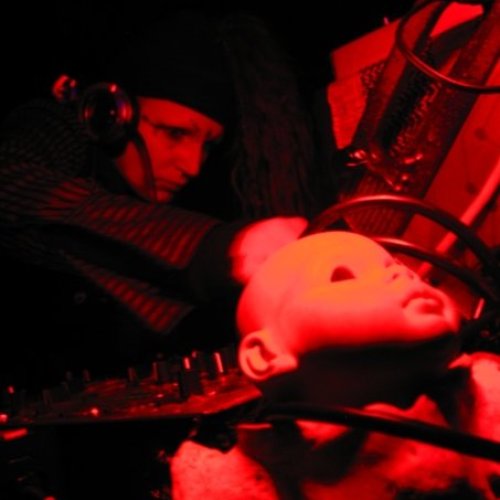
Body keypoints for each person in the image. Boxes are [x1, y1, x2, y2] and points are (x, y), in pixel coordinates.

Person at [0, 9, 328, 391]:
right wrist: (215, 248)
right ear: (112, 116)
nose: (193, 165)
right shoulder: (59, 128)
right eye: (174, 133)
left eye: (207, 146)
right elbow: (9, 183)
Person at [171, 231, 500, 499]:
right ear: (265, 355)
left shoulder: (487, 390)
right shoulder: (244, 480)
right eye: (342, 276)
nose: (402, 273)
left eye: (399, 266)